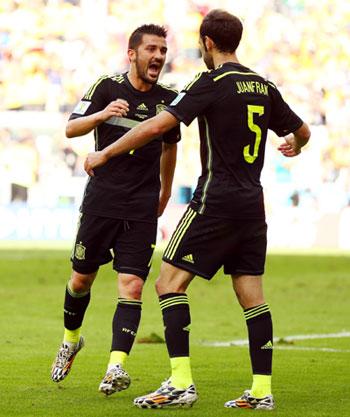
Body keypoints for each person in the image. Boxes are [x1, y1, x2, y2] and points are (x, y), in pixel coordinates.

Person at [84, 9, 311, 410]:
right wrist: (296, 145)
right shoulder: (263, 85)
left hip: (215, 200)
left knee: (168, 284)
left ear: (207, 42)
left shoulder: (210, 82)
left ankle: (180, 383)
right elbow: (302, 130)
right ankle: (261, 391)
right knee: (252, 296)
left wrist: (106, 153)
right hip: (252, 205)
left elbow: (157, 126)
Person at [51, 24, 181, 397]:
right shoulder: (106, 87)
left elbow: (171, 146)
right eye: (152, 49)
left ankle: (116, 367)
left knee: (133, 285)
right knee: (81, 280)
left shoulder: (169, 99)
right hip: (101, 202)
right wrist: (102, 115)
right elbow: (71, 128)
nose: (158, 56)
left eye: (162, 50)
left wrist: (166, 191)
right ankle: (70, 340)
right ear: (133, 54)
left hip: (141, 205)